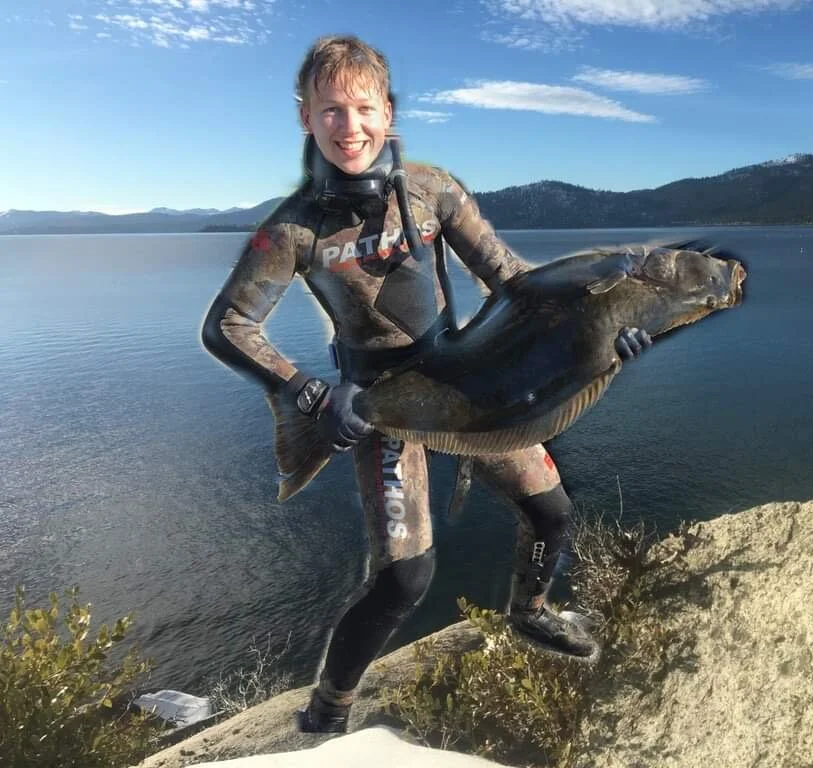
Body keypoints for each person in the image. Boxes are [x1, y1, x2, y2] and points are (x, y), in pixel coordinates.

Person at [201, 34, 652, 734]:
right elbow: (228, 324)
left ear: (387, 110)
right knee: (404, 579)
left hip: (467, 387)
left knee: (553, 512)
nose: (348, 127)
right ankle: (329, 709)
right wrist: (313, 396)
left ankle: (530, 613)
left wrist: (606, 329)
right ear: (305, 118)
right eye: (329, 112)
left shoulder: (433, 190)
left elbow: (515, 282)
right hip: (375, 409)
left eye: (361, 107)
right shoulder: (292, 230)